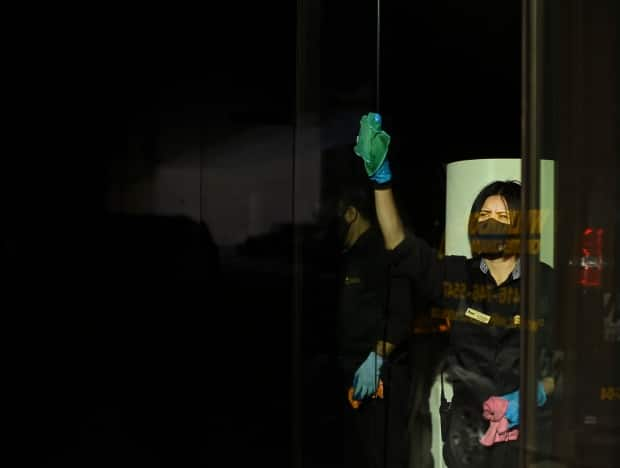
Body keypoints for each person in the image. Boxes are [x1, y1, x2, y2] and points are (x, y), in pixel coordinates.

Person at [351, 112, 558, 468]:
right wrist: (381, 183)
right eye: (484, 216)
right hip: (468, 442)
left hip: (528, 443)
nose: (490, 222)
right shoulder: (458, 275)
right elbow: (401, 247)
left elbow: (569, 364)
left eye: (503, 217)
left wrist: (533, 395)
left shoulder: (545, 282)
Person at [332, 179, 412, 468]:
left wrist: (377, 358)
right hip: (350, 373)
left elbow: (402, 309)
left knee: (379, 454)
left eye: (338, 211)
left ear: (351, 214)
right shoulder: (347, 257)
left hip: (378, 378)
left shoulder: (377, 254)